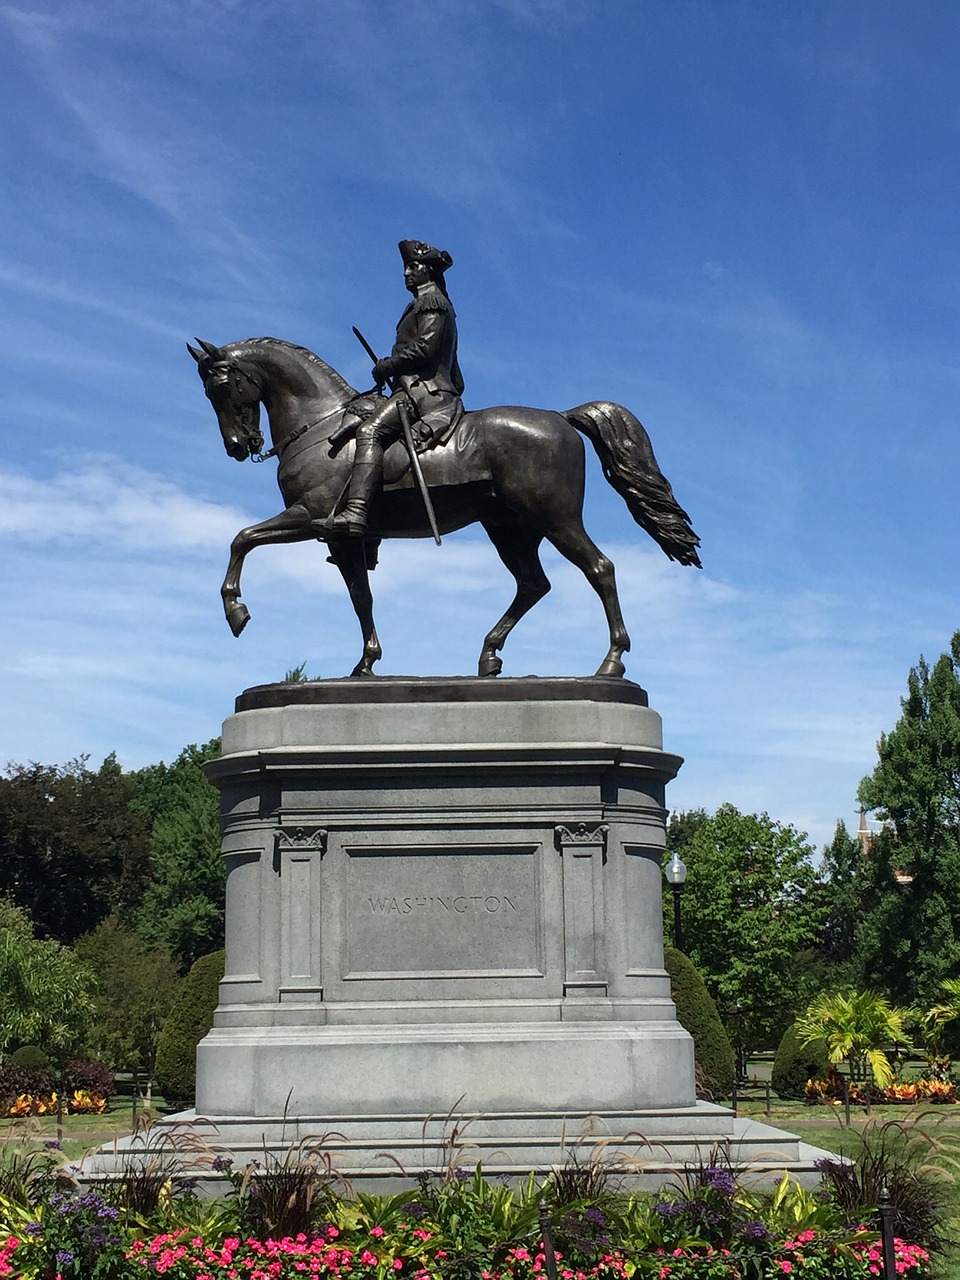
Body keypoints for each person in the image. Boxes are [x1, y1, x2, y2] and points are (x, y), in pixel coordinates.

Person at [330, 239, 464, 536]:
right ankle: (372, 538)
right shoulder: (424, 303)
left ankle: (356, 513)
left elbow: (425, 351)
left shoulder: (432, 302)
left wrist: (387, 366)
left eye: (413, 266)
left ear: (429, 271)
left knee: (370, 432)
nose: (406, 272)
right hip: (416, 388)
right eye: (406, 267)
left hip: (425, 392)